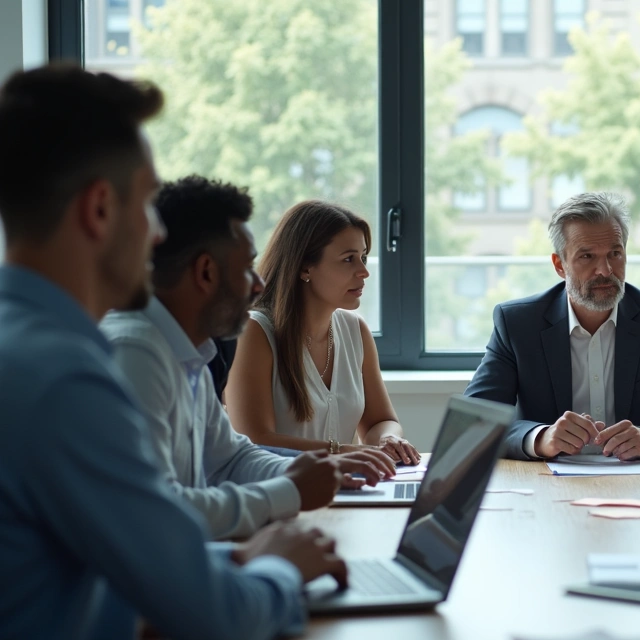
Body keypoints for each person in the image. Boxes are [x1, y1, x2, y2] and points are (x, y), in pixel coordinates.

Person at [0, 64, 344, 640]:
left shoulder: (27, 345)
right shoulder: (66, 379)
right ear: (99, 209)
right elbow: (214, 617)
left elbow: (101, 564)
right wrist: (281, 567)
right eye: (147, 204)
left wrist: (233, 560)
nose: (158, 235)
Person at [101, 175, 398, 540]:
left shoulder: (189, 354)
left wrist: (321, 470)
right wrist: (291, 491)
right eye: (246, 268)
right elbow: (155, 513)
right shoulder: (136, 354)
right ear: (206, 272)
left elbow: (232, 458)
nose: (258, 284)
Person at [465, 192, 640, 461]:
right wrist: (539, 438)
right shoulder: (518, 324)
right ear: (560, 265)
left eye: (615, 254)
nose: (605, 270)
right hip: (545, 479)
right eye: (587, 256)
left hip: (638, 479)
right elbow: (472, 424)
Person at [226, 200, 421, 465]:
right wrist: (344, 452)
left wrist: (388, 439)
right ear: (305, 267)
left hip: (345, 485)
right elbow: (256, 440)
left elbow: (380, 421)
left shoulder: (355, 330)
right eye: (348, 259)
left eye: (363, 257)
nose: (364, 272)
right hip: (276, 487)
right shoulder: (253, 332)